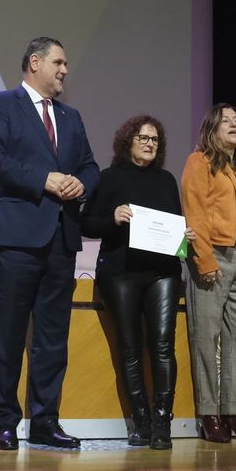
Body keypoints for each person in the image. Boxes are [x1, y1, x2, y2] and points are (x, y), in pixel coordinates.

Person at [0, 37, 100, 451]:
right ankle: (6, 422)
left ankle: (45, 422)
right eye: (59, 62)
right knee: (8, 336)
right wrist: (42, 179)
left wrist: (82, 184)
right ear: (35, 62)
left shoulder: (72, 115)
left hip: (61, 241)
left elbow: (90, 166)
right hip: (14, 239)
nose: (65, 70)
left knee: (52, 340)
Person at [81, 115, 189, 450]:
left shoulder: (167, 180)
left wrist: (185, 235)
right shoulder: (109, 178)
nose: (149, 144)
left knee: (162, 345)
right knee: (130, 347)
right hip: (121, 272)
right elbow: (86, 223)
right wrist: (112, 219)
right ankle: (140, 421)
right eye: (143, 138)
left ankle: (162, 421)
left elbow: (173, 225)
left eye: (155, 139)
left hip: (163, 272)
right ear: (128, 141)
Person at [181, 103, 236, 444]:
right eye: (225, 121)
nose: (233, 125)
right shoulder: (199, 162)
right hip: (213, 254)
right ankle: (210, 415)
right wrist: (204, 260)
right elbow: (194, 213)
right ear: (211, 130)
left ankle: (235, 414)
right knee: (205, 339)